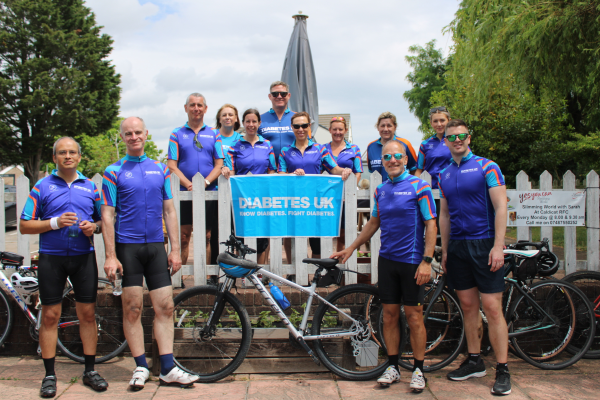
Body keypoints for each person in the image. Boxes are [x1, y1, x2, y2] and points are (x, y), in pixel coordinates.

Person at [102, 117, 199, 390]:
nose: (133, 137)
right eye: (128, 133)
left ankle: (167, 368)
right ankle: (141, 366)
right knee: (132, 308)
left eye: (137, 132)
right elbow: (107, 216)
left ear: (146, 134)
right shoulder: (113, 171)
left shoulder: (161, 170)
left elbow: (169, 210)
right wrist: (111, 255)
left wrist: (176, 250)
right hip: (128, 248)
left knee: (165, 307)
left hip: (156, 247)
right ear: (122, 137)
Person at [331, 140, 436, 392]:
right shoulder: (381, 190)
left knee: (413, 317)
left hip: (412, 262)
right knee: (388, 315)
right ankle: (393, 366)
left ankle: (419, 369)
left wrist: (427, 261)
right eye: (387, 156)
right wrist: (351, 247)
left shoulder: (419, 186)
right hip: (387, 260)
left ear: (406, 160)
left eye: (397, 156)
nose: (392, 160)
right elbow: (373, 223)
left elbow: (431, 224)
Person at [20, 137, 108, 397]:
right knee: (49, 316)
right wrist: (55, 223)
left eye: (72, 152)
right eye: (62, 153)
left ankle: (90, 370)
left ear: (79, 157)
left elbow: (103, 221)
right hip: (52, 258)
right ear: (55, 157)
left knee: (88, 315)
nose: (67, 156)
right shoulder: (41, 186)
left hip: (83, 258)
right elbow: (25, 225)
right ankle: (49, 375)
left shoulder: (91, 187)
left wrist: (95, 227)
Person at [438, 119, 510, 395]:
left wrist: (498, 245)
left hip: (484, 244)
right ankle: (475, 360)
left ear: (469, 137)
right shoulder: (444, 174)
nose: (457, 140)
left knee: (492, 308)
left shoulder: (486, 166)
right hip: (457, 247)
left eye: (462, 136)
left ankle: (502, 369)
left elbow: (501, 206)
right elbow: (444, 214)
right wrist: (445, 250)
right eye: (451, 137)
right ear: (445, 141)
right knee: (468, 306)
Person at [278, 112, 352, 259]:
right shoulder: (285, 151)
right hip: (293, 200)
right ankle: (293, 272)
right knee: (291, 236)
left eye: (304, 125)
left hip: (315, 200)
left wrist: (345, 170)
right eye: (297, 126)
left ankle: (316, 271)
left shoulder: (320, 149)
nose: (301, 129)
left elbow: (334, 168)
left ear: (309, 126)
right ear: (292, 128)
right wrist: (292, 175)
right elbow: (280, 174)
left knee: (316, 238)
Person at [168, 93, 224, 266]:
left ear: (205, 109)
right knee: (184, 236)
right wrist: (189, 185)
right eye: (192, 105)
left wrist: (205, 183)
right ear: (186, 108)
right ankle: (180, 275)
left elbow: (219, 164)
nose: (196, 108)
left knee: (207, 236)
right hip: (184, 192)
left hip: (209, 192)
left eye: (200, 105)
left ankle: (207, 277)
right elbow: (171, 165)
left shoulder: (215, 134)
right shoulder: (176, 134)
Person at [221, 108, 277, 264]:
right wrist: (225, 170)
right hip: (241, 198)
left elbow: (272, 170)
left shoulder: (267, 145)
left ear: (259, 123)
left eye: (254, 121)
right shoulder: (235, 147)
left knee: (262, 238)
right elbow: (231, 171)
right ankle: (245, 274)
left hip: (263, 198)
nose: (251, 125)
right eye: (248, 121)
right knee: (241, 236)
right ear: (243, 123)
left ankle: (260, 273)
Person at [258, 80, 302, 263]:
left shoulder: (297, 119)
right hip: (268, 176)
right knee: (268, 223)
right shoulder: (261, 119)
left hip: (293, 176)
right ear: (270, 97)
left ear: (288, 96)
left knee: (291, 224)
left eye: (283, 94)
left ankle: (293, 268)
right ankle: (264, 270)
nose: (279, 97)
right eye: (275, 94)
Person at [324, 116, 363, 251]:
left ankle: (342, 261)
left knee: (345, 231)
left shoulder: (354, 148)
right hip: (329, 196)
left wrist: (349, 191)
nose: (337, 132)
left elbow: (358, 172)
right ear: (329, 130)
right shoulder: (324, 149)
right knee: (328, 230)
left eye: (340, 129)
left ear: (345, 130)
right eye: (334, 129)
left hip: (347, 196)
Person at [366, 111, 418, 181]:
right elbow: (372, 171)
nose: (385, 129)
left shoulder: (405, 144)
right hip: (379, 189)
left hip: (401, 189)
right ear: (378, 128)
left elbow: (414, 169)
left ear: (395, 127)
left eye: (389, 126)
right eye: (382, 126)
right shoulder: (371, 147)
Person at [415, 106, 452, 190]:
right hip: (430, 191)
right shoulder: (425, 144)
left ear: (449, 121)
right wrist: (417, 188)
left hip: (451, 189)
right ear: (431, 123)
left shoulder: (456, 141)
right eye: (435, 121)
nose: (439, 124)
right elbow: (419, 170)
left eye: (442, 120)